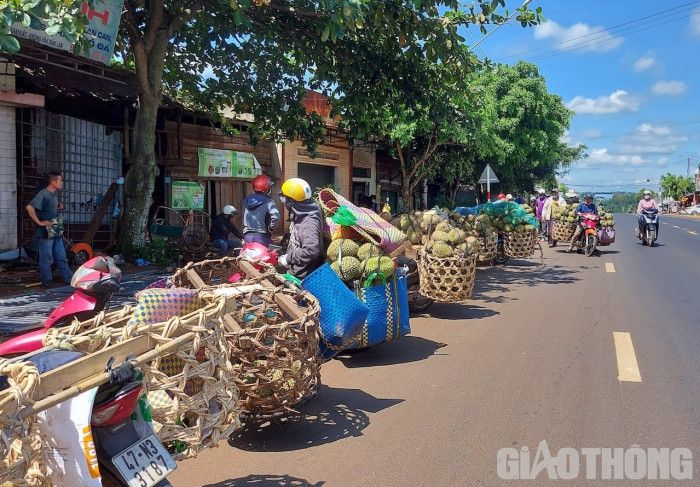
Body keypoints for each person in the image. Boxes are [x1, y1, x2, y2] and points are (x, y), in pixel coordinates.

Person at [26, 172, 73, 288]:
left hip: (55, 227)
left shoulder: (53, 194)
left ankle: (69, 279)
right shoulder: (43, 194)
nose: (62, 183)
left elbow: (48, 207)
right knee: (47, 258)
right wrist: (39, 222)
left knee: (61, 256)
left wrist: (58, 206)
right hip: (46, 230)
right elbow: (29, 207)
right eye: (60, 180)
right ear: (53, 182)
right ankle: (47, 282)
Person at [277, 178, 324, 279]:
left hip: (305, 278)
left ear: (291, 202)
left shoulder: (309, 222)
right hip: (296, 272)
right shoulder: (300, 214)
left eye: (285, 201)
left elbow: (311, 250)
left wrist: (288, 258)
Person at [243, 175, 280, 247]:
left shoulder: (247, 200)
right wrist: (271, 228)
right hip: (262, 236)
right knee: (263, 258)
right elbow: (276, 217)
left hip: (248, 236)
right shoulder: (268, 202)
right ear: (267, 189)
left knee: (249, 257)